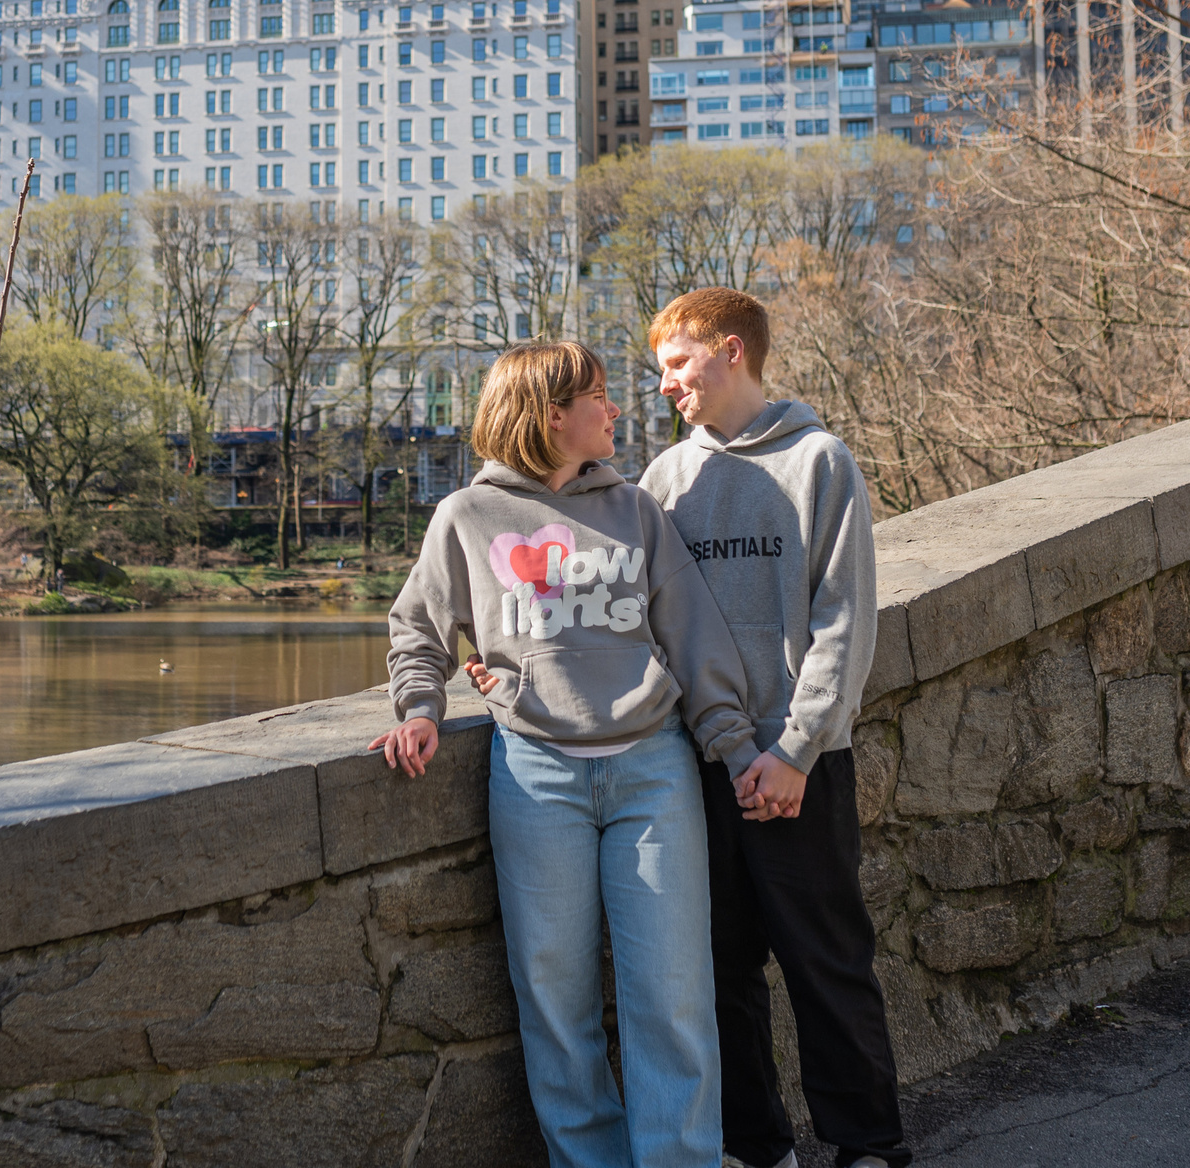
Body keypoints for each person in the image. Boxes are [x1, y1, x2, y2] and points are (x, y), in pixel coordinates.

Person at [377, 338, 771, 1168]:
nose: (617, 407)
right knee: (556, 999)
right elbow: (419, 626)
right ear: (551, 415)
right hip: (536, 776)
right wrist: (420, 708)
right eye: (598, 394)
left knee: (671, 994)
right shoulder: (468, 517)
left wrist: (733, 748)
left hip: (652, 771)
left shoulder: (634, 511)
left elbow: (695, 639)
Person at [643, 288, 907, 1168]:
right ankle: (755, 1148)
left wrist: (793, 751)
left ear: (729, 351)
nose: (668, 385)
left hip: (801, 766)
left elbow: (845, 621)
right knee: (718, 967)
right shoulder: (665, 480)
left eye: (677, 365)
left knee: (825, 961)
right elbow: (630, 610)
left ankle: (869, 1146)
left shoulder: (821, 463)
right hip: (700, 763)